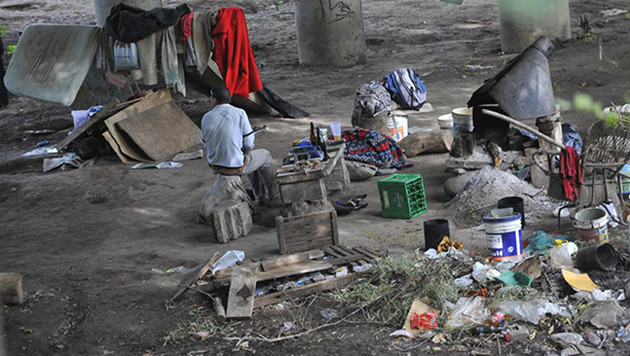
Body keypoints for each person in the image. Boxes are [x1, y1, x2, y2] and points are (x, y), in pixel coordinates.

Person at [201, 86, 280, 206]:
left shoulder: (206, 117)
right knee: (265, 156)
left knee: (250, 159)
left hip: (215, 165)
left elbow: (206, 143)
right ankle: (273, 196)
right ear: (229, 98)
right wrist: (244, 151)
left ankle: (260, 198)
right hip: (235, 166)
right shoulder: (239, 113)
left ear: (214, 100)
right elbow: (249, 143)